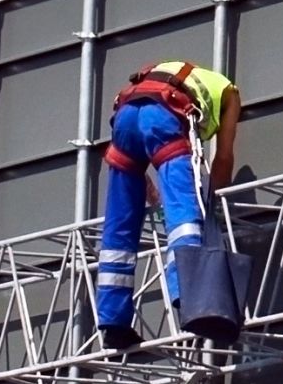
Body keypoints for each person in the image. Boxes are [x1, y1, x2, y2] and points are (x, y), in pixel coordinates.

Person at [95, 59, 240, 350]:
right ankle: (186, 290)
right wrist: (212, 206)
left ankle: (113, 322)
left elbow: (133, 137)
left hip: (125, 118)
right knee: (183, 212)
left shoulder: (168, 72)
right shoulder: (229, 92)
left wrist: (147, 184)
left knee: (119, 226)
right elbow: (223, 158)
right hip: (163, 115)